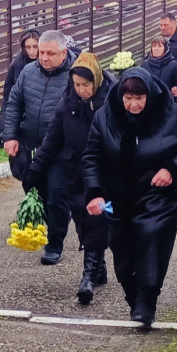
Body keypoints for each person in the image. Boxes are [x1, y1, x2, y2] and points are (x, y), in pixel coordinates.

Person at [82, 68, 177, 330]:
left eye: (139, 98)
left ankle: (147, 303)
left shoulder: (172, 114)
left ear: (149, 95)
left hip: (162, 193)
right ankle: (134, 299)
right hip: (119, 194)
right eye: (128, 98)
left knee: (150, 236)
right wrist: (94, 192)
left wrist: (172, 169)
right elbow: (91, 157)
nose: (133, 105)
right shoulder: (106, 116)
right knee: (122, 249)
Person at [28, 53, 112, 305]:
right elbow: (53, 138)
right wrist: (35, 169)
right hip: (75, 170)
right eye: (76, 84)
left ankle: (87, 277)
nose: (81, 90)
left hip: (104, 171)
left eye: (86, 85)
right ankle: (99, 268)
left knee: (97, 216)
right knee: (81, 219)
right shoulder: (68, 103)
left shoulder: (112, 101)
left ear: (96, 80)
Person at [0, 29, 75, 212]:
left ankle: (55, 240)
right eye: (42, 52)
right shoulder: (27, 71)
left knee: (56, 197)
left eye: (50, 53)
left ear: (63, 52)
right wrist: (9, 135)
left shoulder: (75, 76)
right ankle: (42, 233)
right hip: (31, 146)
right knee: (33, 191)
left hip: (61, 150)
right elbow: (14, 104)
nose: (43, 57)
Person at [0, 29, 41, 108]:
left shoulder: (46, 62)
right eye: (28, 47)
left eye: (35, 46)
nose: (32, 51)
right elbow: (7, 96)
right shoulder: (17, 64)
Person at [141, 36, 177, 103]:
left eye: (159, 46)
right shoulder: (144, 65)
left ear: (165, 48)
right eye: (154, 46)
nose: (156, 49)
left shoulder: (174, 65)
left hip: (168, 105)